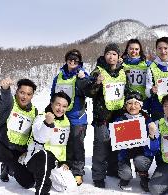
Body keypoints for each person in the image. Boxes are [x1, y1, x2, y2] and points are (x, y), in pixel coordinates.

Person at [86, 43, 129, 188]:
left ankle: (113, 169)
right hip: (102, 116)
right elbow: (89, 93)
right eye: (108, 53)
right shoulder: (98, 71)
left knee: (116, 145)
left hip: (119, 115)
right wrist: (97, 83)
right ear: (104, 55)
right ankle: (98, 176)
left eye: (114, 54)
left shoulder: (123, 71)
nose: (111, 56)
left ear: (119, 57)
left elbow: (127, 91)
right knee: (101, 147)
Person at [15, 91, 72, 195]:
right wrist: (47, 123)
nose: (60, 109)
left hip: (53, 162)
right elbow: (40, 138)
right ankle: (42, 191)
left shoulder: (66, 122)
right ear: (51, 104)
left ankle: (43, 175)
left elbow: (62, 145)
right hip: (36, 158)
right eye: (58, 104)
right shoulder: (41, 117)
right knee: (44, 156)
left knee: (66, 186)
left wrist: (63, 161)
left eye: (64, 106)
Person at [0, 78, 38, 194]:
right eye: (22, 92)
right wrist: (5, 89)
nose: (24, 97)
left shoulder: (34, 112)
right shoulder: (10, 104)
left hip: (18, 154)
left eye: (28, 94)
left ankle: (8, 167)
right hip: (2, 148)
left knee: (29, 183)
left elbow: (33, 135)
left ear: (32, 96)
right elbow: (5, 99)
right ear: (16, 92)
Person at [50, 49, 89, 186]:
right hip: (61, 116)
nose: (72, 62)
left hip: (77, 117)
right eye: (70, 59)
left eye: (76, 60)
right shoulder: (59, 76)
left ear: (80, 62)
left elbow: (89, 90)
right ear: (66, 60)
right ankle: (64, 166)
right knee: (63, 144)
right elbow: (52, 96)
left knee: (77, 144)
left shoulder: (82, 74)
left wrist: (84, 79)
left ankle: (78, 171)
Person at [115, 91, 155, 192]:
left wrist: (152, 135)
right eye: (129, 103)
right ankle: (126, 174)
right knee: (125, 174)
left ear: (141, 106)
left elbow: (155, 148)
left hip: (142, 155)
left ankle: (143, 175)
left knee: (140, 161)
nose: (133, 106)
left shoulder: (147, 120)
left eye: (136, 103)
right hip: (126, 154)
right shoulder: (120, 120)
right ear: (125, 105)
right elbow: (116, 144)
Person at [145, 37, 168, 121]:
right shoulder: (151, 67)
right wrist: (151, 91)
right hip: (159, 106)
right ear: (156, 50)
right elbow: (147, 92)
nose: (163, 51)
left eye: (166, 48)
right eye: (160, 48)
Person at [122, 39, 151, 110]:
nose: (134, 51)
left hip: (144, 100)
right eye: (131, 49)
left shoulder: (147, 64)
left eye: (136, 49)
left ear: (140, 50)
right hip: (129, 101)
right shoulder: (122, 64)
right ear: (127, 50)